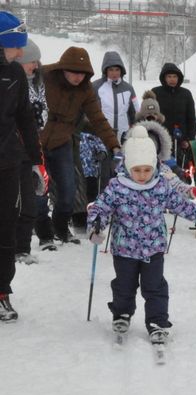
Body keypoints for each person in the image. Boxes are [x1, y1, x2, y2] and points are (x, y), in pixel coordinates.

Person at [87, 125, 196, 342]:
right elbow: (100, 208)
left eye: (146, 170)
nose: (142, 175)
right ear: (127, 166)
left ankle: (157, 321)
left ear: (154, 166)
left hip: (154, 248)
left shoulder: (161, 186)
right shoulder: (117, 187)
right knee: (124, 286)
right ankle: (122, 313)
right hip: (124, 248)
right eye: (137, 170)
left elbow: (180, 205)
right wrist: (95, 226)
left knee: (155, 287)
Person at [41, 46, 120, 244]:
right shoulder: (44, 77)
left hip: (62, 142)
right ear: (63, 68)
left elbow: (98, 119)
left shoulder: (85, 90)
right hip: (36, 142)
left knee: (69, 191)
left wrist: (114, 145)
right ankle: (44, 235)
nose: (78, 77)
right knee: (38, 190)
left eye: (83, 74)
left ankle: (60, 227)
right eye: (74, 72)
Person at [0, 12, 44, 322]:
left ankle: (2, 291)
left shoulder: (15, 74)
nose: (19, 53)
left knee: (6, 226)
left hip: (7, 164)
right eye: (16, 46)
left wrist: (37, 161)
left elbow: (25, 119)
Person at [13, 37, 51, 262]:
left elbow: (44, 111)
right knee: (15, 203)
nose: (35, 65)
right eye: (31, 61)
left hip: (30, 150)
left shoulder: (38, 83)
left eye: (37, 61)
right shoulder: (9, 82)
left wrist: (39, 115)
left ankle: (22, 249)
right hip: (11, 151)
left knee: (29, 202)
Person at [151, 62, 196, 164]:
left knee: (182, 170)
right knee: (162, 170)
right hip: (161, 140)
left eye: (175, 76)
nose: (172, 79)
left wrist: (189, 139)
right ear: (164, 78)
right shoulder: (155, 92)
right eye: (169, 76)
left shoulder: (186, 94)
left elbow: (191, 119)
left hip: (181, 141)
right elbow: (150, 117)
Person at [91, 51, 139, 144]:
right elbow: (89, 111)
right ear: (105, 70)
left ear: (121, 70)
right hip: (103, 135)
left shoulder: (128, 88)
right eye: (111, 70)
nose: (114, 73)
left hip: (124, 136)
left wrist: (135, 129)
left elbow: (135, 112)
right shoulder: (96, 87)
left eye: (117, 69)